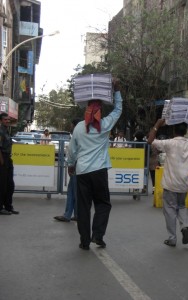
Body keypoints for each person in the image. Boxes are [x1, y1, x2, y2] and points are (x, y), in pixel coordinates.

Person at [67, 79, 122, 250]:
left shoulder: (78, 128)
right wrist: (117, 90)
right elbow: (118, 109)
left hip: (82, 172)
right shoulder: (105, 125)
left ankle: (84, 242)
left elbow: (72, 150)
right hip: (99, 172)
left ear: (87, 110)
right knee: (103, 204)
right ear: (100, 111)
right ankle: (97, 235)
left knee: (83, 207)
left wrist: (70, 165)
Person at [147, 120, 188, 247]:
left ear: (174, 131)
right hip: (183, 185)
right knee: (181, 207)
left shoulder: (169, 143)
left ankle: (172, 238)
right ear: (186, 132)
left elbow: (150, 141)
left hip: (170, 184)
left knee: (169, 210)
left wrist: (157, 125)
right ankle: (184, 226)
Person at [54, 118, 81, 222]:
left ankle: (68, 215)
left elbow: (73, 152)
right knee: (74, 191)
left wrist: (70, 165)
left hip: (76, 166)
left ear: (74, 125)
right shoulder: (83, 134)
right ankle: (75, 214)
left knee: (73, 191)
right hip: (81, 166)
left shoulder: (76, 135)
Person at [0, 113, 19, 215]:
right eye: (5, 120)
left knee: (10, 185)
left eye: (8, 119)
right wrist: (2, 161)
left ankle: (8, 206)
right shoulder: (0, 131)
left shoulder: (6, 130)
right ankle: (1, 208)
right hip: (2, 158)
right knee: (2, 185)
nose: (7, 121)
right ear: (1, 121)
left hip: (8, 158)